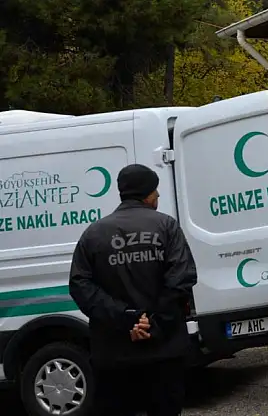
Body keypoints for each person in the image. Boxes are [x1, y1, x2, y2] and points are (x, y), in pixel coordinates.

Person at [68, 164, 197, 416]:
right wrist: (153, 323)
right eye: (155, 190)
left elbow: (80, 285)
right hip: (163, 351)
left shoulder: (94, 233)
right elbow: (181, 279)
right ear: (147, 194)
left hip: (114, 354)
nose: (158, 195)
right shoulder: (167, 227)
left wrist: (126, 319)